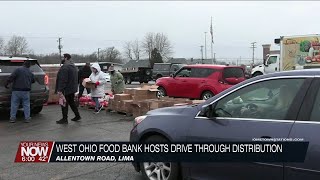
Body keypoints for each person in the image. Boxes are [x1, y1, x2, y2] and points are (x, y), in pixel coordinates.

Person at [55, 53, 81, 124]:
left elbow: (63, 80)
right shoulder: (73, 66)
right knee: (72, 103)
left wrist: (60, 89)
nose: (62, 59)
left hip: (65, 89)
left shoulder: (65, 67)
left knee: (63, 103)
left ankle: (64, 119)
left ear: (66, 58)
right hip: (72, 89)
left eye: (63, 57)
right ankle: (77, 115)